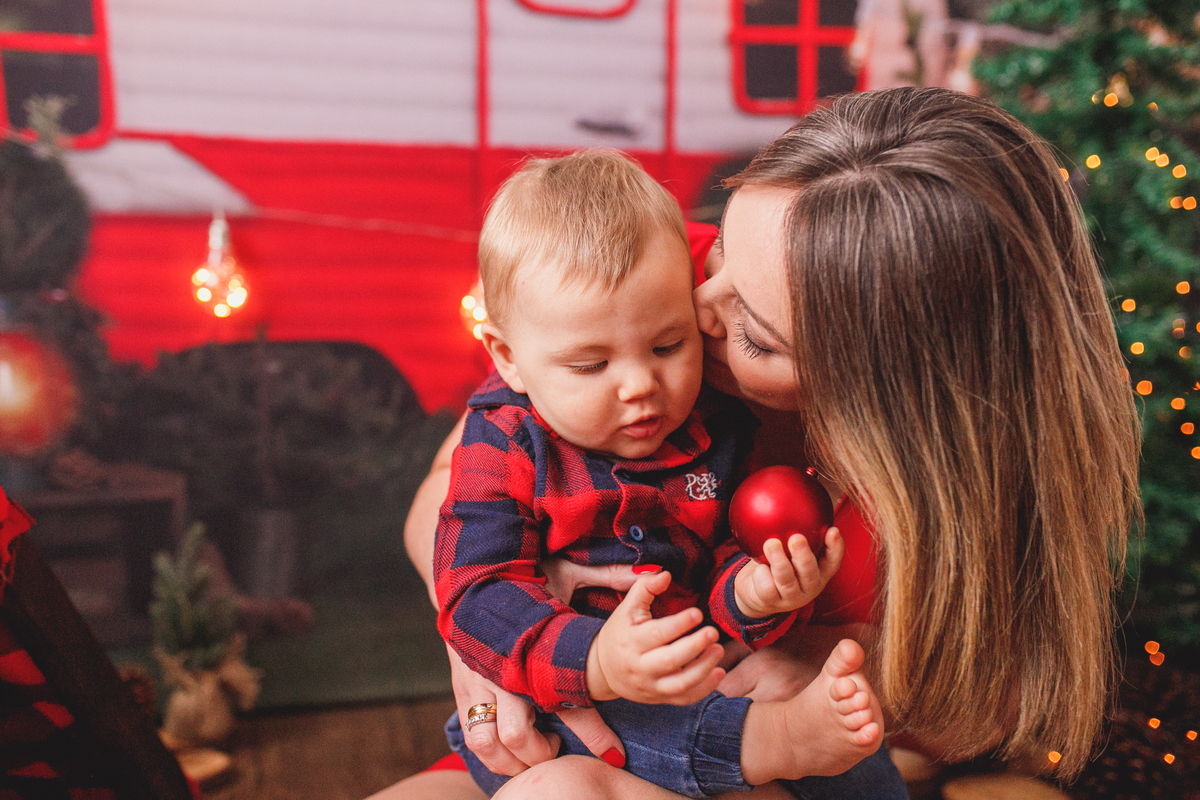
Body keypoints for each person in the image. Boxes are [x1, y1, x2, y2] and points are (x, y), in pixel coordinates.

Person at [373, 86, 1141, 800]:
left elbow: (994, 705)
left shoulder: (970, 472)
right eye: (719, 259)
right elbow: (454, 491)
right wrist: (495, 642)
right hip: (561, 718)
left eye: (757, 334)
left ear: (876, 385)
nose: (701, 306)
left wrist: (854, 660)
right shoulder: (643, 290)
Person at [435, 149, 884, 798]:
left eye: (668, 346)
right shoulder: (509, 437)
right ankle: (776, 744)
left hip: (702, 673)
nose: (641, 386)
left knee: (845, 752)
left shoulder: (711, 423)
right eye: (591, 366)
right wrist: (594, 660)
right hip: (560, 704)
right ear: (508, 358)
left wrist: (756, 595)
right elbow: (474, 584)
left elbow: (716, 567)